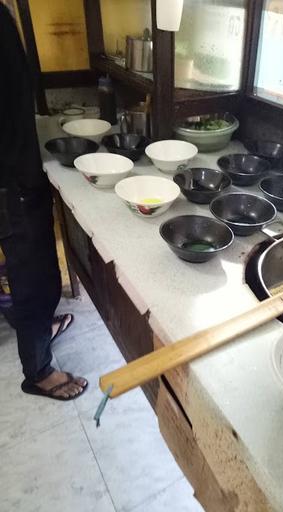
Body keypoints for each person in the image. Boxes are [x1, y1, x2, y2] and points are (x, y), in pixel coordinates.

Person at [0, 3, 87, 400]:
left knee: (35, 269)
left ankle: (41, 330)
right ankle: (38, 371)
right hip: (10, 178)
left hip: (16, 169)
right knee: (32, 274)